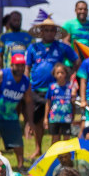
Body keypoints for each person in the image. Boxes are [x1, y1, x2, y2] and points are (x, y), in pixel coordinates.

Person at [26, 18, 79, 159]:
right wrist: (26, 86)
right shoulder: (33, 48)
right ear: (41, 31)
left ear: (55, 32)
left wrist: (70, 78)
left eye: (51, 30)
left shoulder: (62, 47)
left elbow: (76, 61)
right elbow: (27, 67)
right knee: (38, 121)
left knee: (56, 120)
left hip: (57, 91)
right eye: (46, 30)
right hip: (37, 88)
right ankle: (38, 148)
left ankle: (61, 151)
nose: (49, 33)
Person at [0, 53, 33, 171]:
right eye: (17, 65)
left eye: (22, 65)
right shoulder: (2, 75)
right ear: (11, 65)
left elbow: (28, 102)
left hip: (10, 116)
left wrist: (30, 121)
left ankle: (20, 166)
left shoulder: (25, 82)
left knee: (18, 141)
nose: (20, 68)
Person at [44, 63, 74, 144]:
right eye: (58, 73)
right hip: (54, 117)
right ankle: (55, 156)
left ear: (66, 74)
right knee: (55, 139)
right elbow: (48, 102)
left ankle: (66, 156)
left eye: (62, 72)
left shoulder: (70, 87)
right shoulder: (52, 87)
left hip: (66, 117)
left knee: (66, 139)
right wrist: (46, 118)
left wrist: (73, 116)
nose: (60, 75)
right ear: (54, 74)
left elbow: (73, 103)